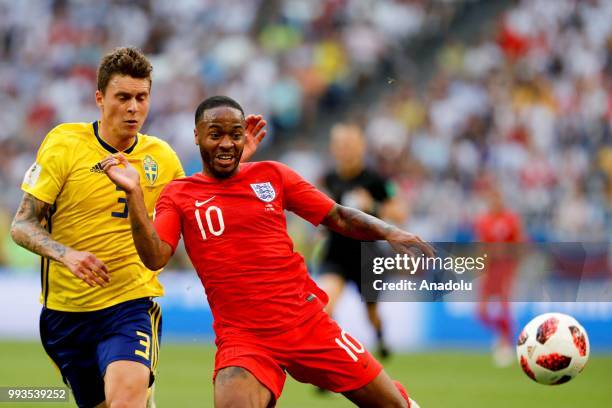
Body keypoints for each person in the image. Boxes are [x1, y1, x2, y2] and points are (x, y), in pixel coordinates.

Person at [101, 95, 432, 407]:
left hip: (307, 324)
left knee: (394, 404)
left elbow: (337, 215)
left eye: (234, 134)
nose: (227, 143)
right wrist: (133, 197)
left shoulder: (272, 175)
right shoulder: (180, 195)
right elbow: (155, 256)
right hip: (244, 340)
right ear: (197, 136)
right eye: (215, 134)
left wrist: (390, 231)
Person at [10, 48, 266, 408]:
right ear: (99, 98)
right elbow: (21, 224)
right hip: (65, 318)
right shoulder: (64, 144)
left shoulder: (160, 158)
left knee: (126, 402)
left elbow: (200, 202)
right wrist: (66, 255)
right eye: (123, 97)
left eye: (141, 97)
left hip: (129, 306)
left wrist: (233, 166)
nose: (133, 107)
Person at [320, 122, 402, 358]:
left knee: (371, 312)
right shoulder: (328, 179)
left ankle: (380, 338)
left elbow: (400, 211)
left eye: (349, 145)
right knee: (325, 307)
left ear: (360, 148)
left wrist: (372, 205)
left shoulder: (376, 180)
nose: (344, 150)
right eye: (339, 145)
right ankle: (331, 357)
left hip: (367, 255)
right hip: (336, 252)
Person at [474, 184, 523, 367]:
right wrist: (481, 268)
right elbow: (482, 246)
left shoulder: (511, 219)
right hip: (490, 267)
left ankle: (506, 342)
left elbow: (518, 244)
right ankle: (503, 332)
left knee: (504, 306)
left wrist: (513, 268)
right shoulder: (484, 221)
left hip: (505, 266)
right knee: (481, 313)